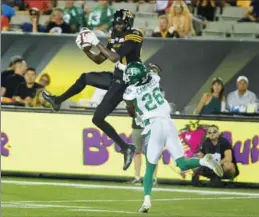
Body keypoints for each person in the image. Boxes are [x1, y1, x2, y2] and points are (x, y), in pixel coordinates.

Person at [42, 9, 143, 171]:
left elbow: (115, 57)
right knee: (85, 78)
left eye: (120, 23)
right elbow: (99, 59)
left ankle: (126, 148)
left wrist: (96, 42)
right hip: (117, 75)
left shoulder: (135, 34)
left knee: (97, 118)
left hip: (127, 80)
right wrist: (86, 49)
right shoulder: (114, 35)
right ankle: (57, 100)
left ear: (128, 23)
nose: (117, 26)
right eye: (115, 23)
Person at [122, 62, 223, 213]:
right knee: (182, 163)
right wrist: (151, 68)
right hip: (169, 123)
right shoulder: (153, 79)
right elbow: (156, 72)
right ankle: (204, 161)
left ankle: (146, 202)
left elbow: (130, 107)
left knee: (150, 166)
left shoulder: (130, 90)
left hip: (154, 125)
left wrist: (137, 116)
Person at [131, 63, 162, 186]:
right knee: (137, 151)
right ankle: (137, 177)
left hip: (151, 123)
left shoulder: (157, 89)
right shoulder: (136, 87)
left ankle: (153, 178)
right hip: (139, 123)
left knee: (152, 152)